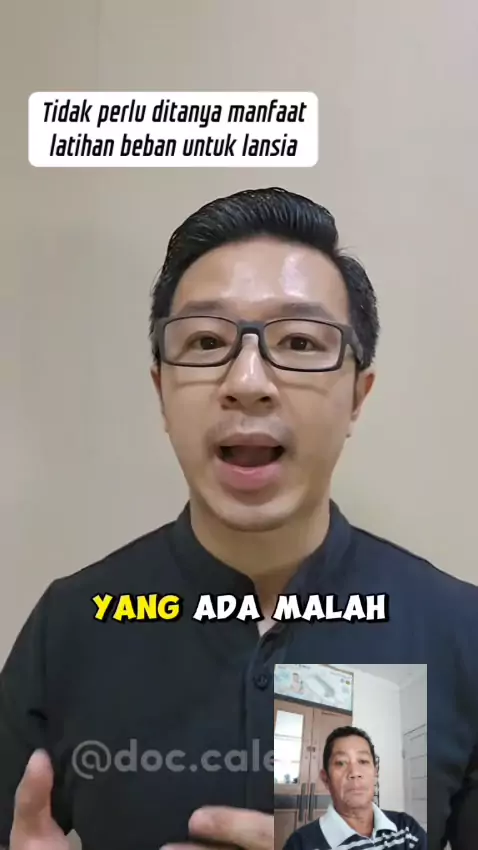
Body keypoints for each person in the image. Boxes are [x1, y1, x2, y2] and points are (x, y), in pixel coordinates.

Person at [0, 187, 477, 850]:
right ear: (161, 391)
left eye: (300, 341)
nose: (247, 381)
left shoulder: (459, 632)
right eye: (205, 341)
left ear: (357, 397)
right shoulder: (71, 627)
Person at [282, 726, 426, 850]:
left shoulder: (406, 829)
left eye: (363, 761)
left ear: (375, 773)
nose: (355, 773)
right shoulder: (300, 844)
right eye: (341, 763)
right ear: (326, 779)